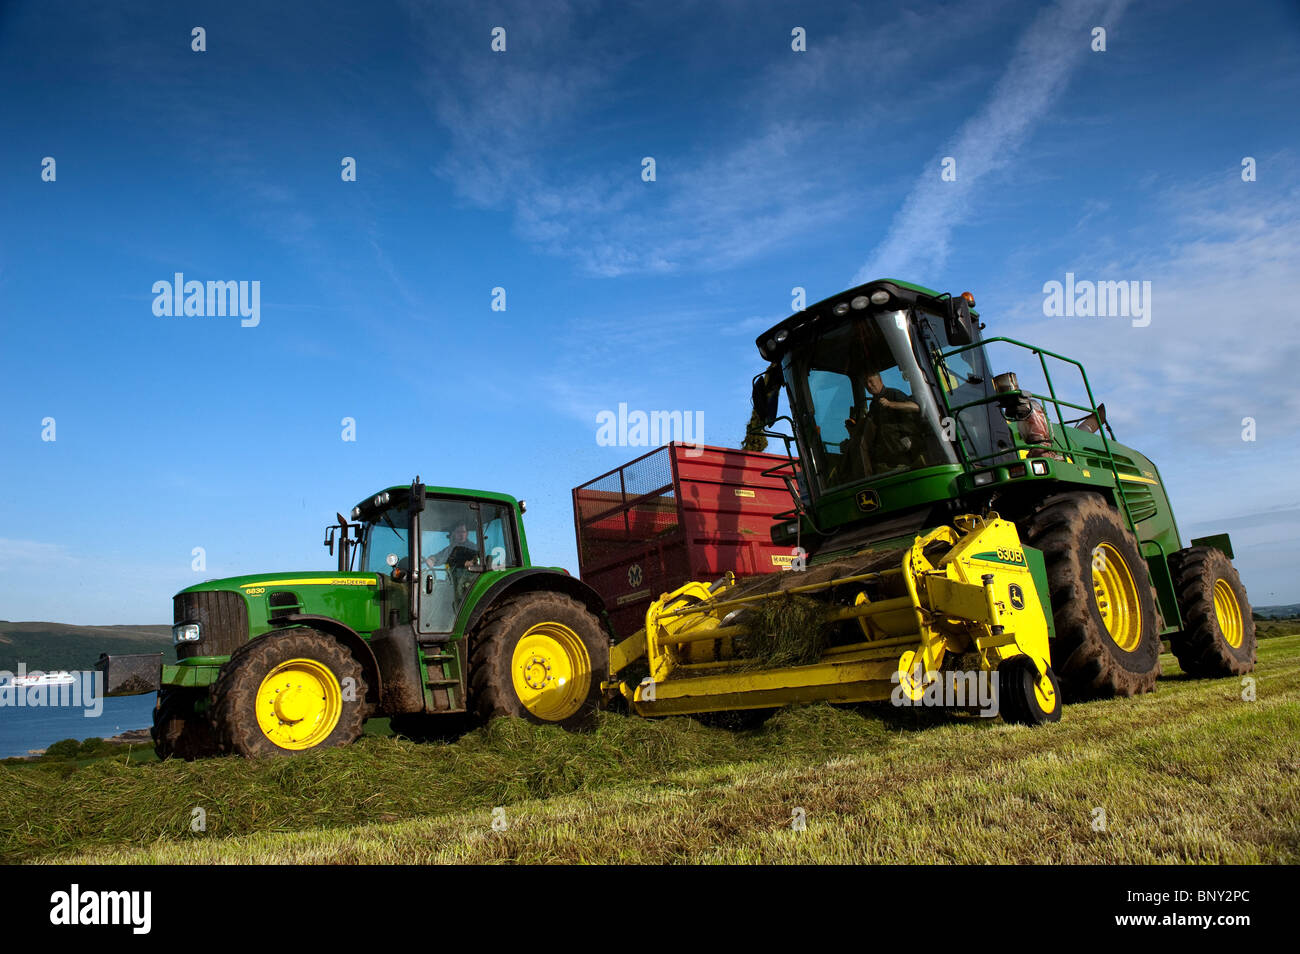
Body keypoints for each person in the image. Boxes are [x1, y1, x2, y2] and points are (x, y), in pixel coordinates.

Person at [845, 372, 923, 472]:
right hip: (888, 447)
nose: (868, 385)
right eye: (865, 383)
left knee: (886, 429)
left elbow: (915, 407)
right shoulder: (873, 404)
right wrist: (854, 429)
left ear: (880, 380)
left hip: (905, 439)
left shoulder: (893, 393)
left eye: (870, 381)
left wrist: (891, 404)